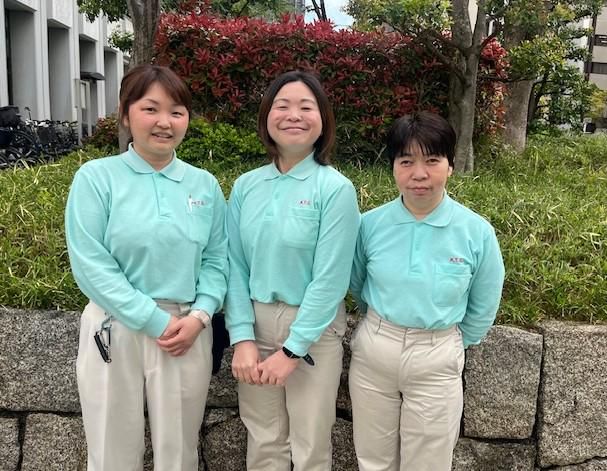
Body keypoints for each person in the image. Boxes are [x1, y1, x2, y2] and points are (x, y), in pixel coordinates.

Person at [65, 64, 228, 471]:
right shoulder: (96, 178)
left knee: (179, 452)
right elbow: (90, 263)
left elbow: (217, 259)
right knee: (111, 450)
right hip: (115, 324)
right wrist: (152, 320)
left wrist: (201, 315)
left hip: (185, 330)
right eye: (150, 109)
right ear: (126, 114)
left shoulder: (204, 185)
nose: (164, 122)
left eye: (176, 111)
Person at [349, 111, 505, 471]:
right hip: (376, 349)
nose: (419, 174)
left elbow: (484, 301)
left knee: (429, 463)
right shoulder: (369, 226)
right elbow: (357, 282)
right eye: (406, 161)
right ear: (393, 167)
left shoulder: (476, 232)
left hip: (437, 355)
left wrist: (453, 342)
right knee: (373, 459)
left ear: (450, 166)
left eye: (432, 160)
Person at [225, 70, 360, 471]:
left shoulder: (334, 189)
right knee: (263, 438)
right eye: (282, 106)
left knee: (310, 443)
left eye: (306, 107)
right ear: (267, 116)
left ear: (323, 119)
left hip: (313, 329)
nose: (293, 115)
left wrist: (292, 349)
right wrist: (242, 337)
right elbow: (233, 266)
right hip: (256, 323)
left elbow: (331, 278)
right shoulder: (246, 187)